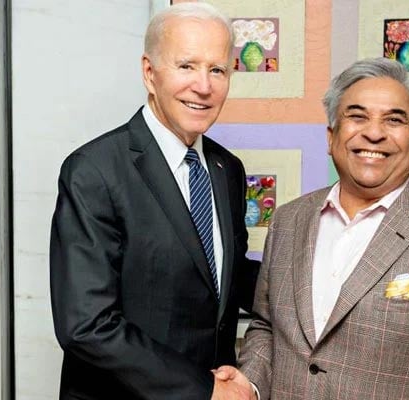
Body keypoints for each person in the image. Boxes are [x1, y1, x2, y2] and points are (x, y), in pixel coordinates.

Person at [218, 57, 409, 399]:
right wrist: (249, 382)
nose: (374, 133)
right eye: (357, 116)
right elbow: (268, 327)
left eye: (394, 119)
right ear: (331, 136)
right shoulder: (288, 221)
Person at [49, 3, 259, 399]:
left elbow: (223, 279)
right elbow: (86, 324)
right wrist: (202, 390)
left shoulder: (226, 169)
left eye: (217, 70)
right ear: (150, 72)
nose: (204, 86)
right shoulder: (94, 171)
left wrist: (318, 290)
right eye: (186, 66)